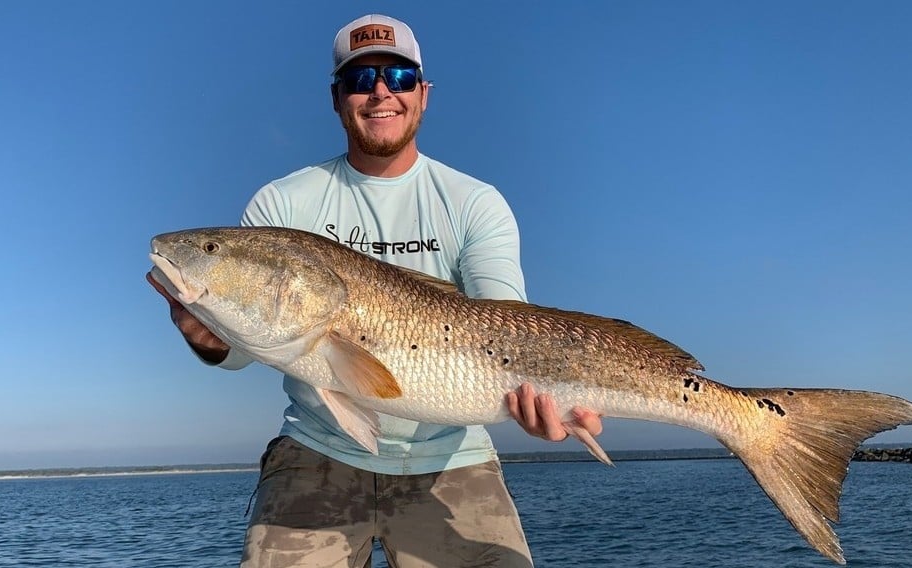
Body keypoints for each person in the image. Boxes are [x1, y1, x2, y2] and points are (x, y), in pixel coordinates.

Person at [148, 14, 603, 568]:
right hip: (315, 451)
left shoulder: (475, 202)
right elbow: (241, 353)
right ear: (337, 98)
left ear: (423, 93)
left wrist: (549, 401)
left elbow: (510, 323)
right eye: (361, 80)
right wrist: (207, 334)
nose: (381, 92)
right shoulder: (280, 205)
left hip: (454, 457)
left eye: (399, 76)